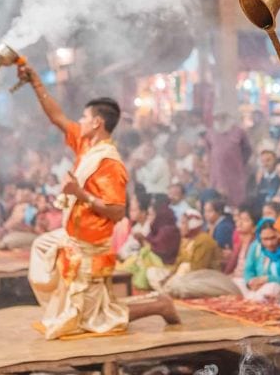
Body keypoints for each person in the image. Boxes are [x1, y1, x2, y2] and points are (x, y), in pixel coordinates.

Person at [17, 62, 178, 339]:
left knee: (94, 319)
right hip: (73, 239)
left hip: (91, 248)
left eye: (83, 117)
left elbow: (117, 212)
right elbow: (57, 118)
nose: (78, 121)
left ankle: (159, 305)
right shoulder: (86, 145)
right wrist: (35, 83)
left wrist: (80, 194)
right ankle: (153, 303)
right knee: (43, 248)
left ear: (97, 122)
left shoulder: (109, 163)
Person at [239, 219, 280, 303]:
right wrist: (250, 282)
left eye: (273, 238)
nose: (270, 243)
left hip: (278, 287)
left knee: (271, 287)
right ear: (259, 238)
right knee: (238, 282)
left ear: (279, 235)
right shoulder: (256, 246)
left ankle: (253, 300)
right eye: (265, 239)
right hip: (257, 285)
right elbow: (248, 270)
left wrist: (268, 279)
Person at [205, 112, 252, 206]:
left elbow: (247, 150)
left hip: (235, 174)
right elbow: (209, 151)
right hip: (217, 175)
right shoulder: (210, 133)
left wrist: (239, 163)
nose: (220, 120)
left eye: (223, 117)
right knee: (216, 201)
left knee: (236, 202)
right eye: (217, 118)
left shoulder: (239, 132)